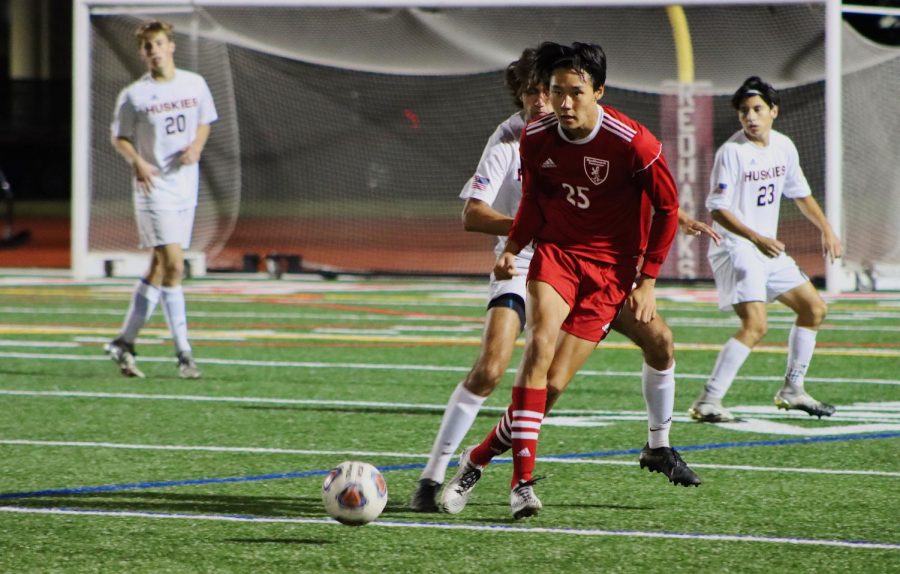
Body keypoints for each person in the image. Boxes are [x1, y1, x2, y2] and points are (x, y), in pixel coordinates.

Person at [410, 49, 717, 513]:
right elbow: (530, 202)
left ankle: (476, 459)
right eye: (552, 91)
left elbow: (664, 206)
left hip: (612, 274)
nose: (559, 102)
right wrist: (514, 247)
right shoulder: (525, 137)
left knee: (576, 376)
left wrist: (647, 280)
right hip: (554, 258)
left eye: (572, 92)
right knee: (529, 353)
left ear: (598, 92)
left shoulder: (633, 142)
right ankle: (517, 486)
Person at [688, 76, 842, 423]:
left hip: (765, 249)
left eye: (757, 109)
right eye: (744, 111)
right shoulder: (732, 152)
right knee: (756, 325)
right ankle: (708, 400)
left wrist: (827, 229)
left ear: (773, 111)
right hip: (736, 248)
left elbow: (800, 193)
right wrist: (756, 237)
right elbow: (717, 208)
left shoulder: (784, 146)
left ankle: (793, 390)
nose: (751, 117)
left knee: (814, 309)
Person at [105, 20, 217, 380]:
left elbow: (205, 121)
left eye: (158, 44)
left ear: (171, 46)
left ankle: (123, 342)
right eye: (147, 46)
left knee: (158, 268)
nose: (153, 51)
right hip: (153, 189)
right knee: (175, 266)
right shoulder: (135, 95)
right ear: (142, 54)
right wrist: (137, 161)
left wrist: (197, 146)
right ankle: (184, 353)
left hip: (186, 185)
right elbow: (119, 137)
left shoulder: (194, 83)